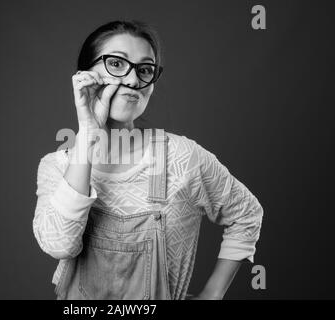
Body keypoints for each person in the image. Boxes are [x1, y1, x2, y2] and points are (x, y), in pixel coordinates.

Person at [33, 20, 263, 300]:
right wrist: (87, 136)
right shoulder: (55, 167)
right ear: (85, 74)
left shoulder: (181, 157)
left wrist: (212, 294)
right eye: (116, 64)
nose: (132, 81)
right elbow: (60, 245)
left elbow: (246, 214)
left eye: (144, 70)